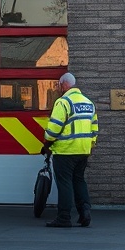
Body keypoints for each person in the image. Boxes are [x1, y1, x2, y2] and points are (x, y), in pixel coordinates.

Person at [42, 72, 98, 228]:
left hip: (66, 151)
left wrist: (47, 141)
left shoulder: (63, 102)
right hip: (83, 151)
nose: (59, 88)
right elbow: (94, 127)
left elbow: (54, 129)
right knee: (79, 180)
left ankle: (64, 218)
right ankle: (85, 212)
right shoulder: (88, 103)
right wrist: (90, 144)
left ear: (63, 85)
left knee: (65, 183)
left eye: (59, 85)